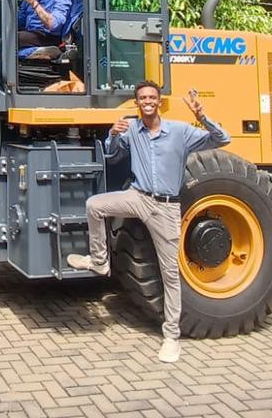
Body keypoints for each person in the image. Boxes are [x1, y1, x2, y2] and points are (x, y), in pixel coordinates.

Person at [67, 82, 230, 364]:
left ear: (159, 102)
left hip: (165, 208)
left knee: (169, 273)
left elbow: (222, 139)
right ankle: (99, 261)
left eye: (152, 97)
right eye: (142, 98)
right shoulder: (132, 130)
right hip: (137, 196)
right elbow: (111, 154)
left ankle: (171, 337)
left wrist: (202, 116)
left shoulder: (180, 131)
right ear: (137, 102)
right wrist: (113, 135)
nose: (147, 101)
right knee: (94, 205)